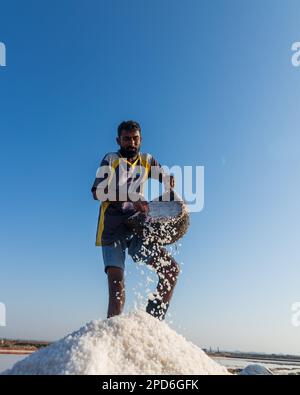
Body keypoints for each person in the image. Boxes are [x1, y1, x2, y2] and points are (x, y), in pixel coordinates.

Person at [91, 120, 180, 320]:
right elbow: (97, 192)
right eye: (126, 139)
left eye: (135, 139)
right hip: (112, 227)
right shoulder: (111, 158)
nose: (131, 143)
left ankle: (152, 323)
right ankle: (111, 338)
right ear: (118, 140)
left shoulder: (147, 159)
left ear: (141, 139)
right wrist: (130, 196)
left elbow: (164, 178)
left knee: (171, 270)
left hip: (137, 226)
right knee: (117, 288)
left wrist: (168, 179)